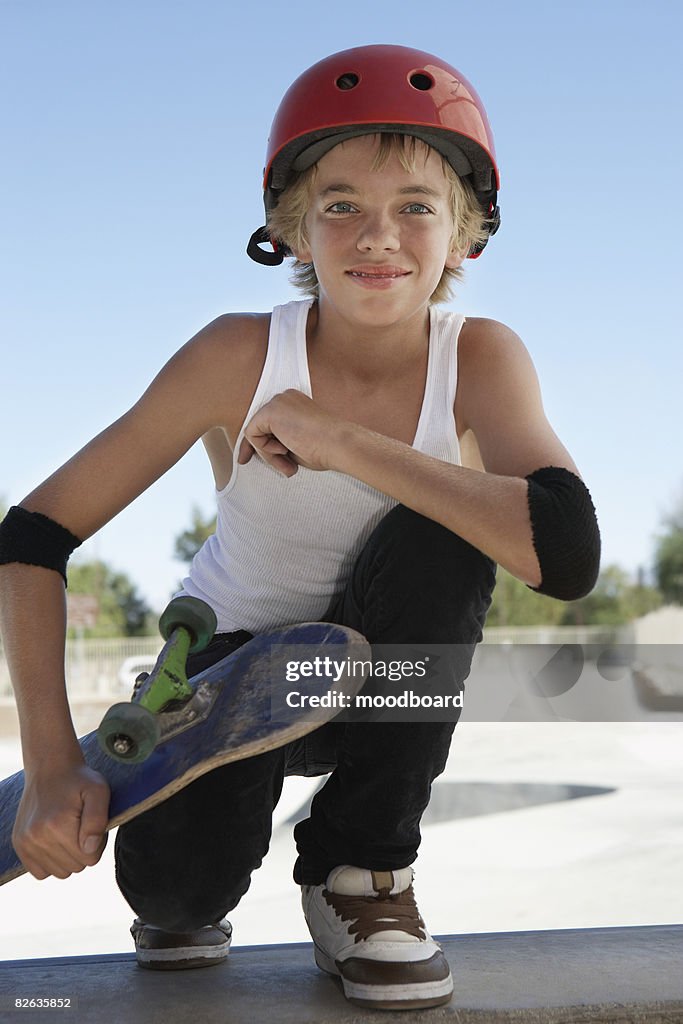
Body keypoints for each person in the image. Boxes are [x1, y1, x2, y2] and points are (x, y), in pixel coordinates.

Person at [0, 44, 600, 1011]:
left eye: (416, 206)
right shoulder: (240, 353)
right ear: (291, 230)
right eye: (340, 205)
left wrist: (338, 438)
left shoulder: (481, 356)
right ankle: (184, 889)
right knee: (177, 899)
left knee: (447, 529)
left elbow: (563, 554)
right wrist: (54, 758)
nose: (378, 236)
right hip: (229, 689)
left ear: (464, 239)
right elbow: (32, 535)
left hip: (384, 690)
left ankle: (360, 875)